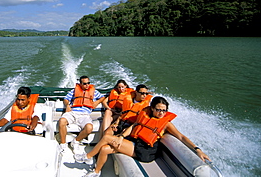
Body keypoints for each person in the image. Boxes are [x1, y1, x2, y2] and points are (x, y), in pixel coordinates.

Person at [75, 96, 211, 177]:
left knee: (107, 138)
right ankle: (96, 171)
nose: (161, 113)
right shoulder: (145, 116)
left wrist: (197, 149)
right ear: (152, 108)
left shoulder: (166, 124)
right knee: (104, 149)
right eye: (158, 109)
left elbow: (181, 137)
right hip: (134, 143)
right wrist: (122, 137)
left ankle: (87, 157)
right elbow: (133, 127)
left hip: (145, 151)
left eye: (164, 110)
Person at [58, 76, 105, 153]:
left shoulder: (94, 92)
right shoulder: (74, 91)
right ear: (80, 84)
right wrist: (67, 106)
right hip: (73, 112)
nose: (87, 85)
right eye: (85, 84)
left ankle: (75, 141)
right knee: (62, 121)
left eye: (88, 83)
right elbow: (66, 99)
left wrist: (97, 102)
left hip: (85, 115)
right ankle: (63, 144)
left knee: (89, 127)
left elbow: (102, 97)